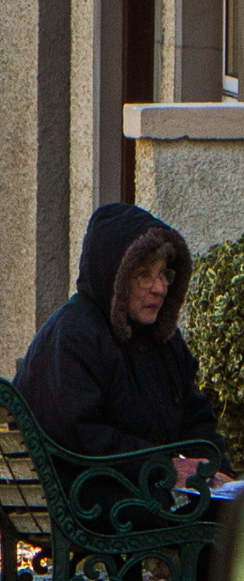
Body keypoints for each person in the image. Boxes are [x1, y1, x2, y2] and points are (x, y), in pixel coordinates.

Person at [14, 205, 225, 478]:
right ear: (116, 276)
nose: (160, 288)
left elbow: (196, 418)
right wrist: (165, 467)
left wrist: (216, 469)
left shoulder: (161, 338)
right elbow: (81, 436)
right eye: (144, 275)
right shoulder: (76, 333)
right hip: (98, 503)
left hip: (139, 496)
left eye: (164, 273)